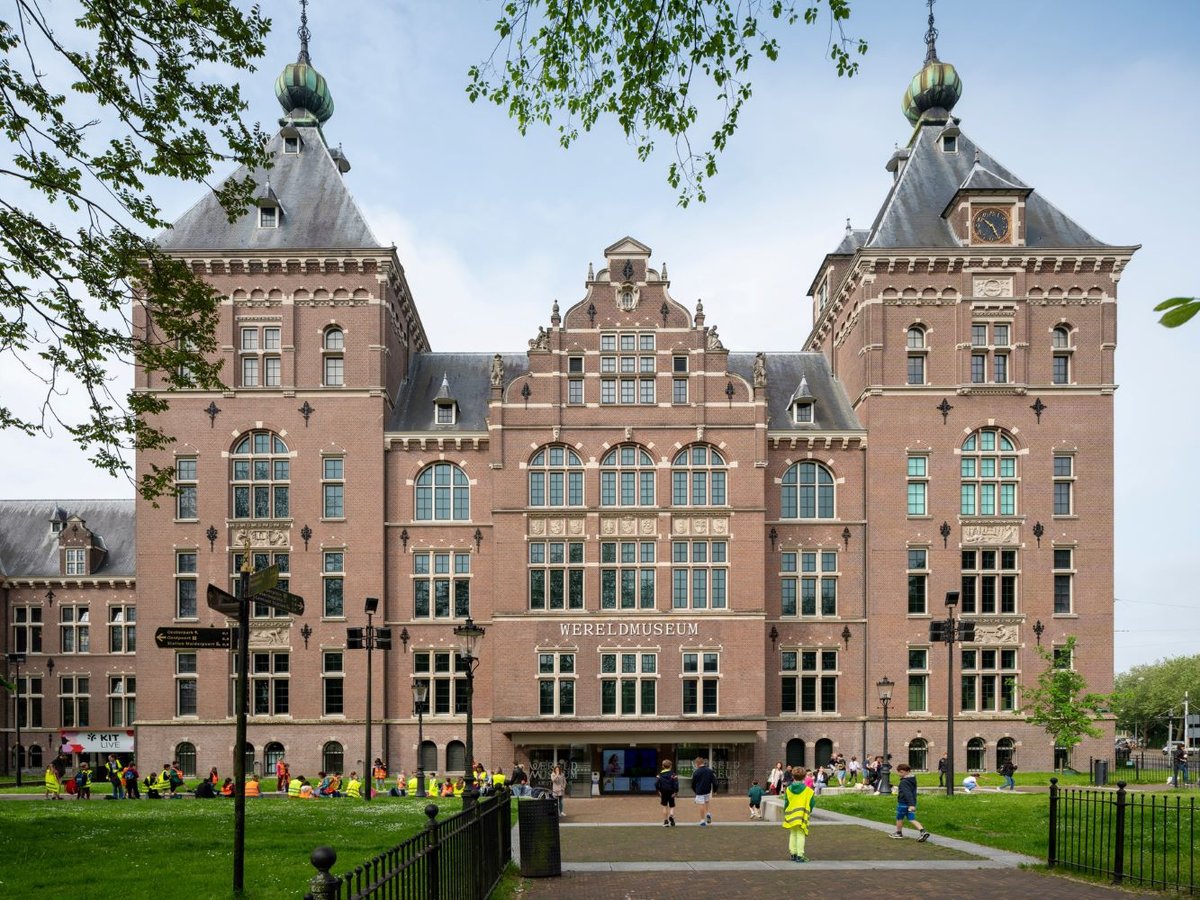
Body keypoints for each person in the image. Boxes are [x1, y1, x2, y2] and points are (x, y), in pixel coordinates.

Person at [782, 766, 815, 863]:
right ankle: (800, 855)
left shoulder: (788, 789)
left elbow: (786, 803)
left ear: (793, 776)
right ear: (804, 777)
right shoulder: (808, 791)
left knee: (793, 834)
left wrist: (786, 812)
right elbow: (811, 803)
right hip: (801, 815)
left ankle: (793, 853)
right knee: (801, 834)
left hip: (791, 814)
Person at [891, 763, 930, 841]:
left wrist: (911, 805)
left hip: (903, 803)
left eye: (901, 772)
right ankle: (923, 831)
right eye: (899, 772)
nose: (899, 774)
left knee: (899, 818)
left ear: (907, 772)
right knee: (912, 819)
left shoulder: (904, 782)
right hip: (911, 803)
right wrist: (912, 804)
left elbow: (907, 793)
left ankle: (899, 833)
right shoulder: (912, 779)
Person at [691, 756, 717, 826]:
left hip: (699, 791)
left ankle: (702, 820)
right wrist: (715, 790)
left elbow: (693, 783)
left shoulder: (696, 772)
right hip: (707, 790)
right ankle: (708, 813)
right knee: (707, 802)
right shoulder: (710, 771)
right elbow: (714, 782)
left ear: (697, 763)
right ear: (703, 762)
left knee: (701, 804)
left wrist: (695, 791)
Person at [656, 759, 678, 827]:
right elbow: (676, 784)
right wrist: (676, 791)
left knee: (665, 806)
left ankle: (665, 821)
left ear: (663, 766)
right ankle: (671, 815)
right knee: (672, 806)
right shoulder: (673, 775)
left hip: (663, 792)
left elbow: (656, 784)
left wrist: (659, 790)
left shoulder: (659, 775)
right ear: (670, 766)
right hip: (671, 792)